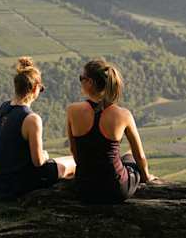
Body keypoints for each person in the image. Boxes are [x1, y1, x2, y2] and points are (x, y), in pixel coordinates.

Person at [67, 58, 159, 204]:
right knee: (129, 155)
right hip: (116, 188)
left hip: (84, 188)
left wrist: (86, 173)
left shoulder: (72, 110)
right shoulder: (124, 115)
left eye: (81, 78)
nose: (80, 82)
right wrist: (146, 177)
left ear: (90, 82)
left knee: (125, 158)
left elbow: (74, 151)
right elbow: (140, 155)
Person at [0, 57, 75, 199]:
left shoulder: (4, 107)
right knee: (73, 162)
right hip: (21, 184)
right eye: (41, 88)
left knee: (63, 161)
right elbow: (38, 162)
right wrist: (45, 155)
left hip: (1, 183)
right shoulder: (32, 119)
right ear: (35, 88)